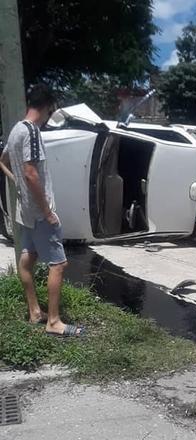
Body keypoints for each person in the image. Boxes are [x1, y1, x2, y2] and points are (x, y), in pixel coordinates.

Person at [0, 84, 84, 337]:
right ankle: (54, 322)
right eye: (51, 109)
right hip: (39, 212)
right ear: (48, 106)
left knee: (27, 261)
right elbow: (31, 172)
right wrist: (48, 211)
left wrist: (16, 181)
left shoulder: (16, 130)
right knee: (58, 264)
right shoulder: (32, 132)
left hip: (25, 211)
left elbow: (2, 162)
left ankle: (36, 311)